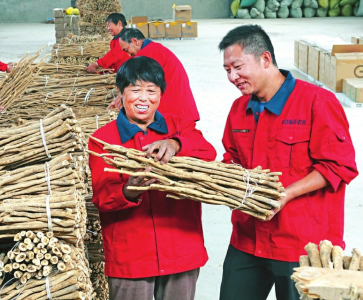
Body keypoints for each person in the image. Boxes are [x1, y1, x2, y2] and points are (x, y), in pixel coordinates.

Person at [218, 24, 358, 300]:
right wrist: (226, 179)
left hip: (301, 244)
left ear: (265, 59)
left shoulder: (317, 102)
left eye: (237, 67)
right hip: (249, 238)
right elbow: (231, 157)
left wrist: (287, 193)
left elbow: (339, 165)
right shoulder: (239, 109)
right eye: (226, 70)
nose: (232, 77)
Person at [88, 56, 216, 300]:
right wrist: (129, 191)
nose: (143, 98)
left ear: (161, 93)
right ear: (121, 93)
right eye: (135, 90)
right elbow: (102, 198)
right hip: (131, 257)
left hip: (181, 249)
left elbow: (208, 153)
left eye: (151, 91)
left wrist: (176, 143)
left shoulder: (180, 127)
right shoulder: (103, 140)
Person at [113, 28, 200, 121]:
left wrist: (122, 96)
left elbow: (137, 80)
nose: (129, 55)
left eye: (126, 50)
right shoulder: (154, 47)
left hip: (172, 102)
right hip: (178, 100)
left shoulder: (147, 53)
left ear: (135, 41)